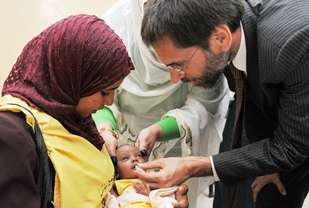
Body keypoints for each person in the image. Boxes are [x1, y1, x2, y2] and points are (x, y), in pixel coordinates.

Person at [0, 14, 188, 208]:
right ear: (71, 78)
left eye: (115, 91)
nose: (110, 101)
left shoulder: (74, 120)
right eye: (104, 91)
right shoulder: (11, 136)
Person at [134, 0, 309, 208]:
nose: (174, 78)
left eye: (179, 65)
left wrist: (197, 165)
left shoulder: (292, 44)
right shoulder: (223, 40)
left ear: (221, 38)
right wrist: (267, 163)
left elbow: (293, 146)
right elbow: (252, 98)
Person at [92, 1, 230, 206]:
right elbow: (97, 93)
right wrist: (105, 130)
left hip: (180, 143)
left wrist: (159, 131)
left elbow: (204, 104)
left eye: (179, 65)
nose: (174, 78)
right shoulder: (113, 29)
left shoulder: (196, 25)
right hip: (121, 132)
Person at [106, 144, 181, 207]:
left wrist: (149, 194)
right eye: (125, 158)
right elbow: (113, 199)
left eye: (138, 156)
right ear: (116, 172)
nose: (134, 159)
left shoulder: (153, 179)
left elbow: (162, 196)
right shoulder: (116, 183)